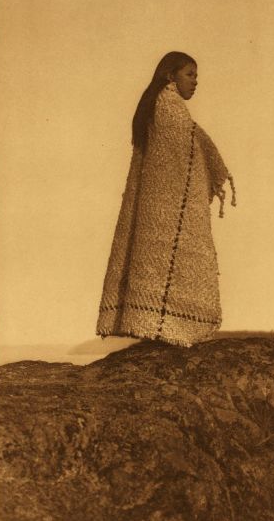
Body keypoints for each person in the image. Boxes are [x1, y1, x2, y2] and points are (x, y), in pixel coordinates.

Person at [96, 51, 236, 347]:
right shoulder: (169, 107)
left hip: (156, 209)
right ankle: (171, 328)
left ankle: (158, 325)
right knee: (171, 263)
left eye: (197, 76)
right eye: (190, 74)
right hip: (166, 209)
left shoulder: (158, 104)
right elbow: (179, 163)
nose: (196, 82)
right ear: (170, 76)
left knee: (157, 267)